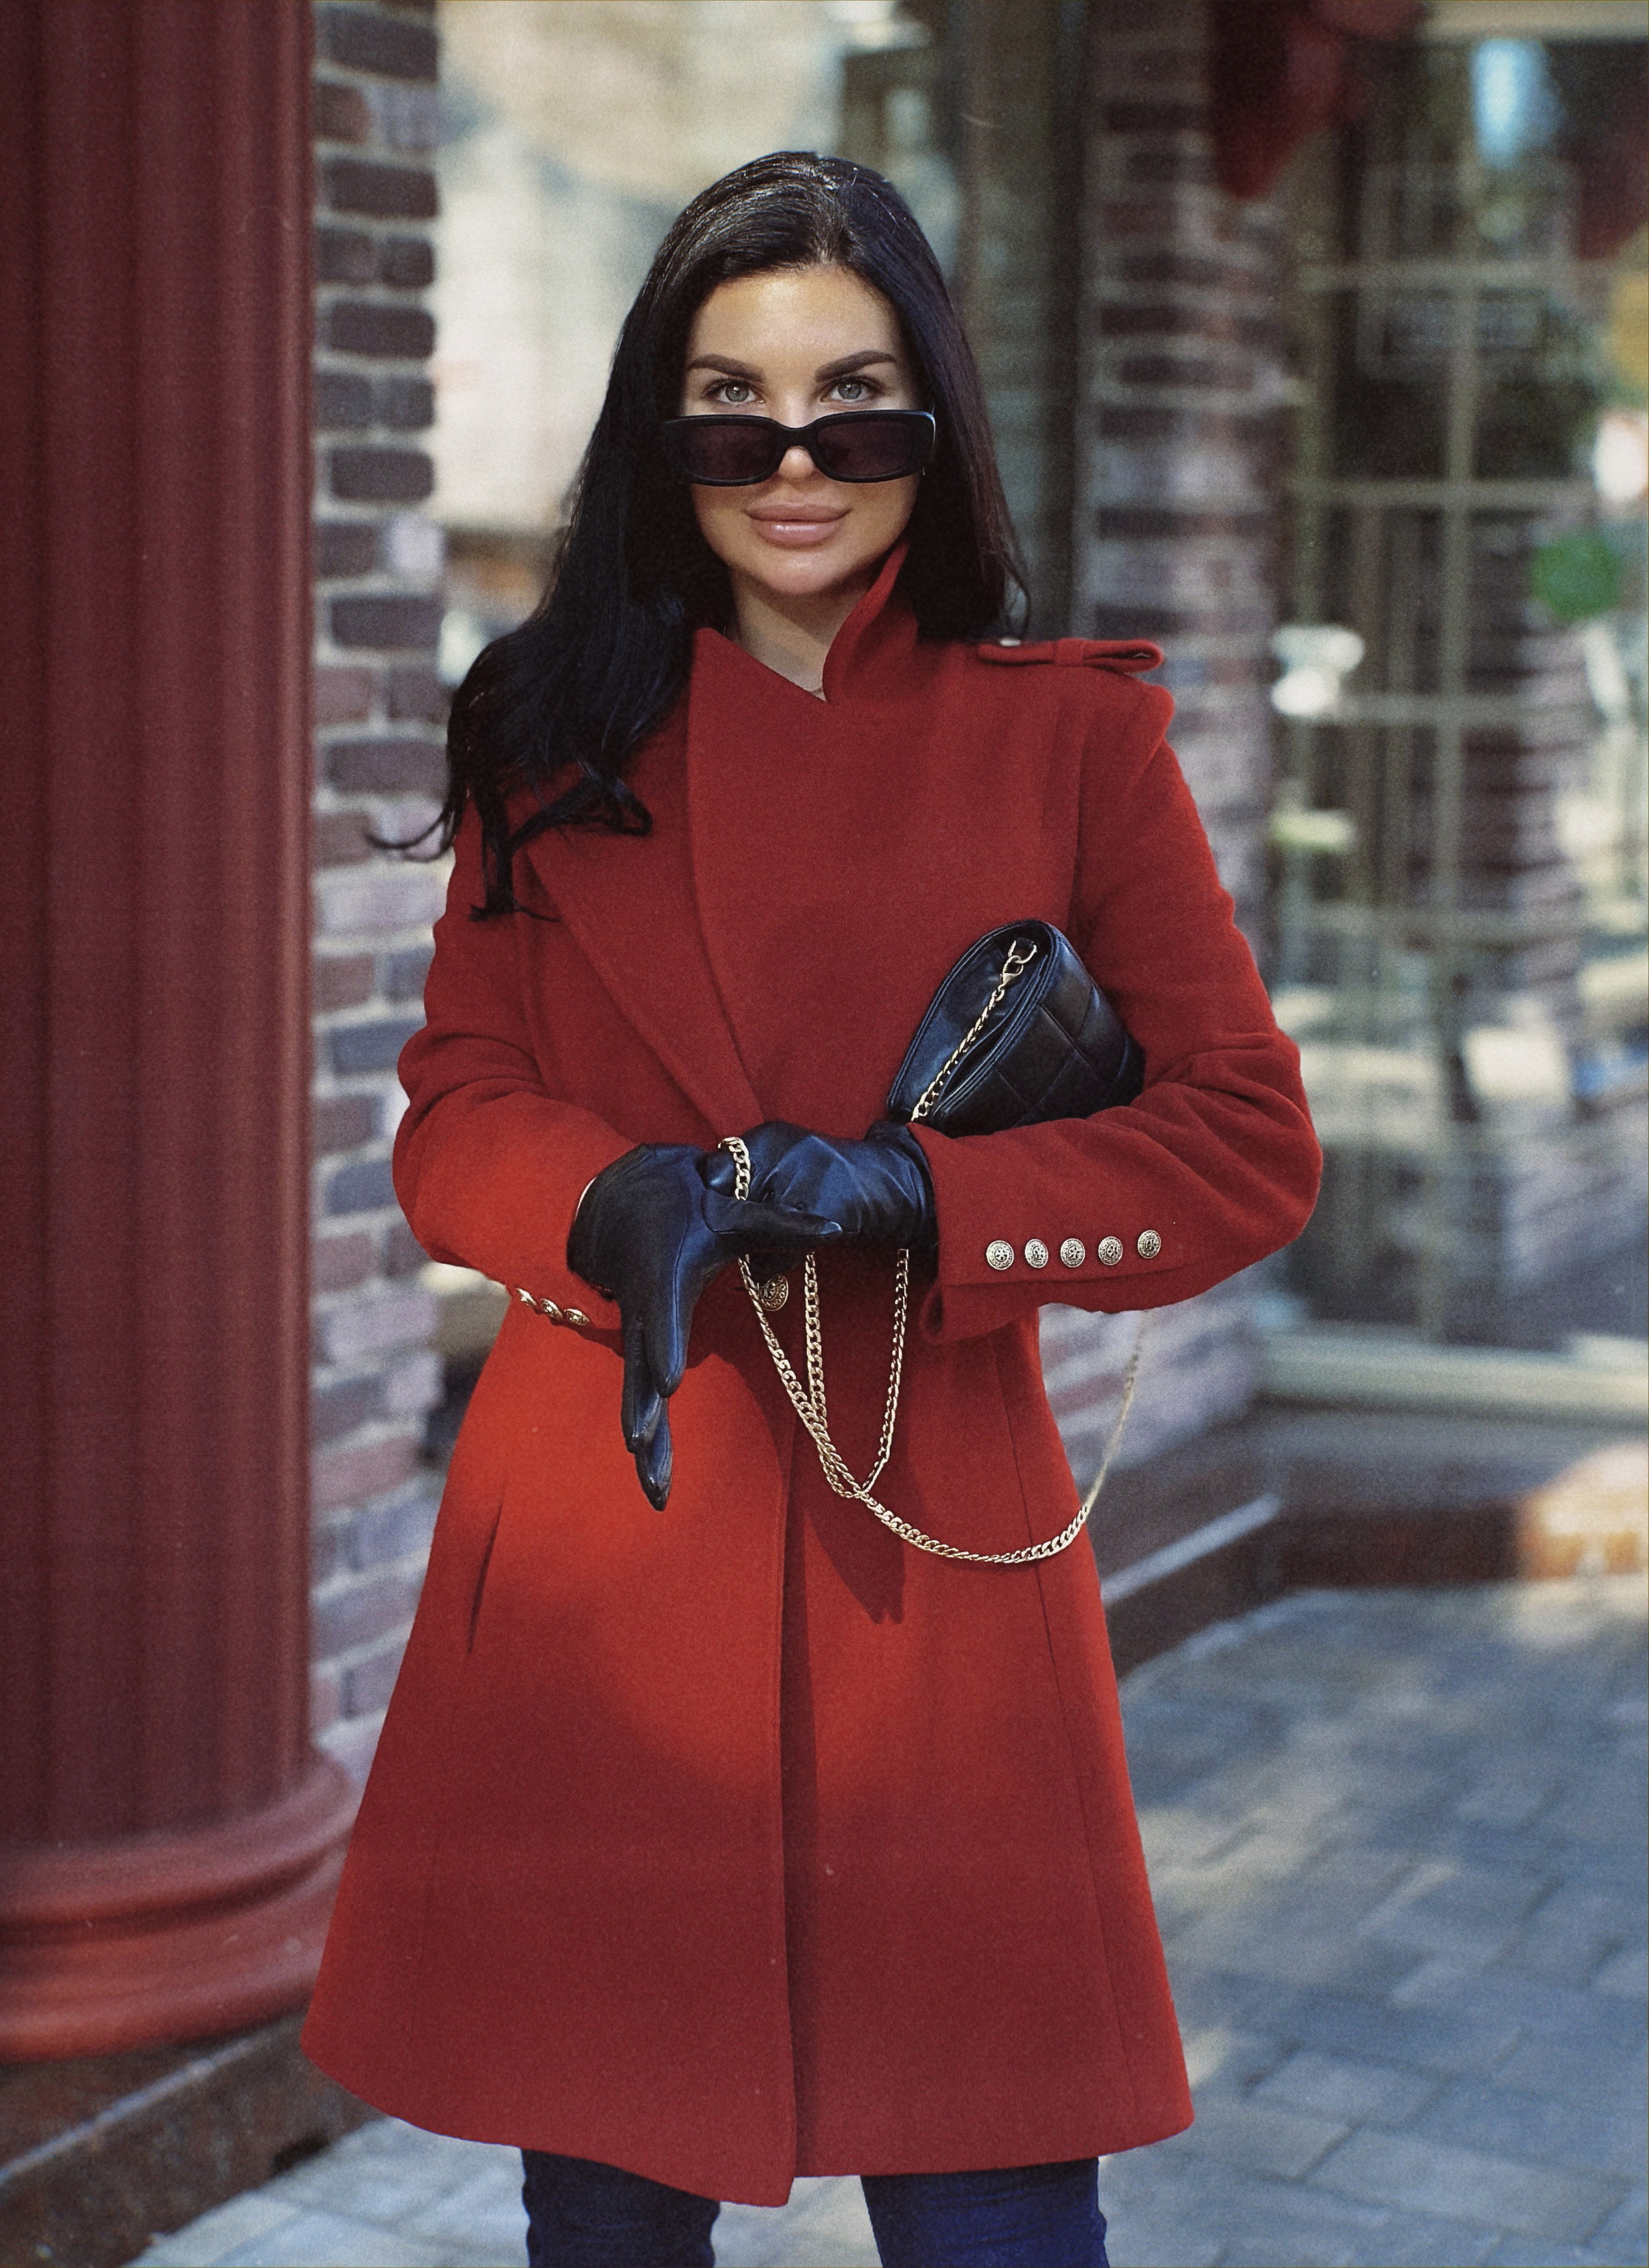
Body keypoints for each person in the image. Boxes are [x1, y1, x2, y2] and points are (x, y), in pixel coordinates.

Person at [302, 152, 1321, 2268]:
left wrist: (913, 1198)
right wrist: (610, 1197)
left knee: (998, 2214)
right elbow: (455, 1104)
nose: (793, 464)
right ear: (656, 438)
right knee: (606, 2204)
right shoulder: (547, 728)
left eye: (853, 406)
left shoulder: (1072, 742)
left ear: (932, 423)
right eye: (730, 410)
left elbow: (1242, 1142)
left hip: (932, 1547)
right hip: (616, 1531)